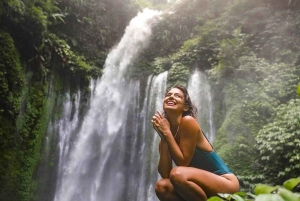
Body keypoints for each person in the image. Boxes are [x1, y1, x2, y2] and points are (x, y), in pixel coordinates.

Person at [151, 85, 239, 201]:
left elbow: (183, 163)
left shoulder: (188, 122)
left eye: (177, 96)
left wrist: (166, 133)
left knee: (177, 173)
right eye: (168, 95)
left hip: (224, 182)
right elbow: (165, 174)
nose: (171, 97)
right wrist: (163, 138)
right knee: (162, 187)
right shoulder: (167, 135)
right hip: (197, 186)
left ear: (186, 107)